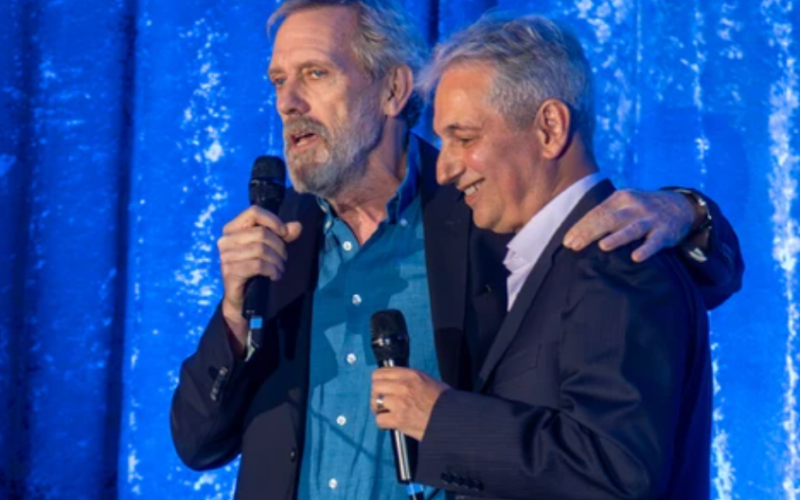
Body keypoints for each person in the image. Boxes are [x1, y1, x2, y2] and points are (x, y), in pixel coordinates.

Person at [170, 2, 743, 499]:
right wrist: (232, 318)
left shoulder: (486, 204)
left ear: (393, 89)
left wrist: (689, 213)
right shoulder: (276, 242)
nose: (288, 102)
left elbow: (633, 289)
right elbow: (197, 443)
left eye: (314, 74)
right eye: (277, 81)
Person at [370, 12, 727, 500]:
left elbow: (614, 472)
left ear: (550, 127)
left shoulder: (616, 261)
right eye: (442, 141)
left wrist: (442, 419)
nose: (446, 168)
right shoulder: (536, 258)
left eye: (465, 138)